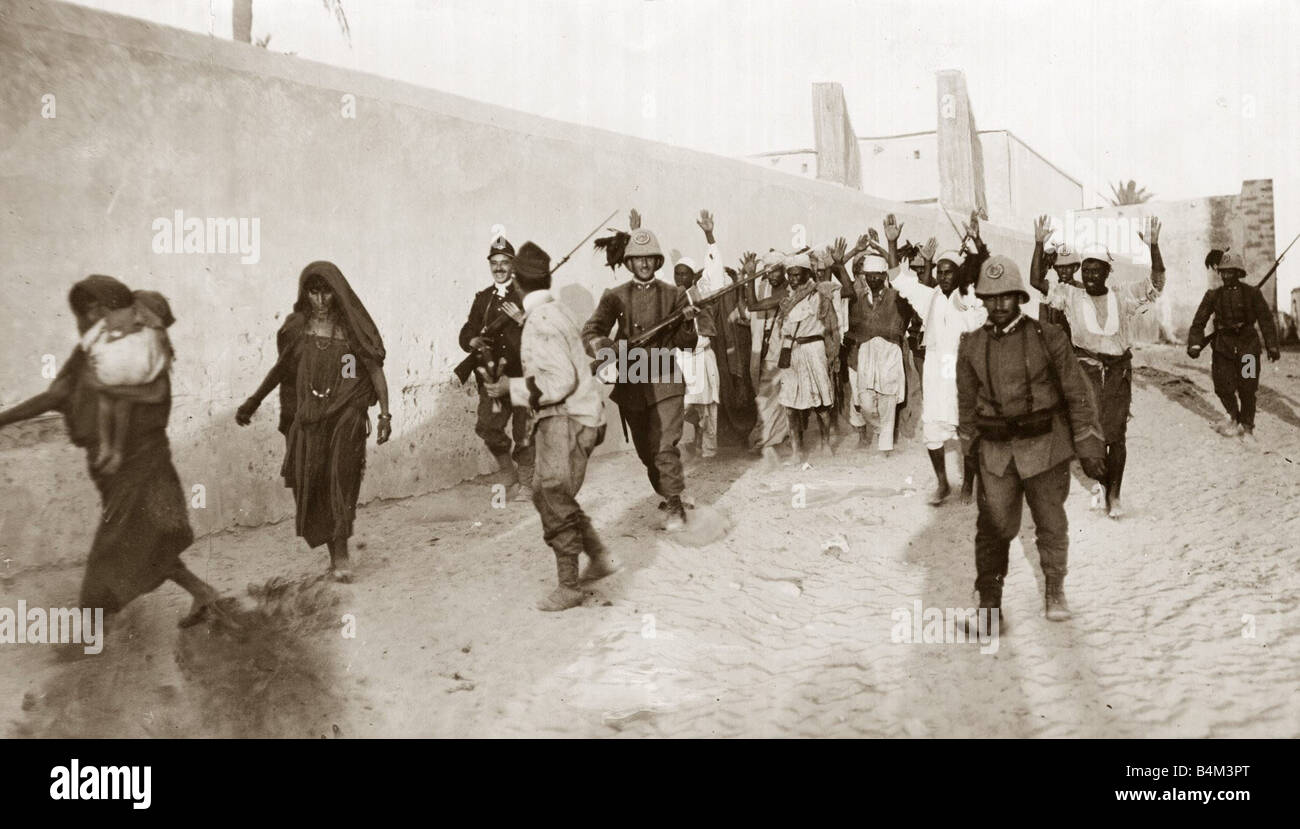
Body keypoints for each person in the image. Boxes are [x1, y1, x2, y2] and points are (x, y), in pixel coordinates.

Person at [0, 275, 235, 631]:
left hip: (142, 463)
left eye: (93, 310)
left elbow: (156, 400)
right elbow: (55, 395)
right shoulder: (90, 354)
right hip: (112, 468)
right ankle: (203, 593)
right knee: (145, 540)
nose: (88, 320)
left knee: (118, 547)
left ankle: (90, 627)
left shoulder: (147, 358)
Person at [957, 256, 1107, 627]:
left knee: (1051, 523)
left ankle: (1055, 590)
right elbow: (966, 402)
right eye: (989, 298)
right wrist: (970, 450)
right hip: (996, 453)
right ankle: (990, 608)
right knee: (991, 529)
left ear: (1019, 297)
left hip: (1045, 449)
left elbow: (1076, 391)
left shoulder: (1047, 336)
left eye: (1005, 296)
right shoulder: (971, 345)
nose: (998, 305)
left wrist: (1088, 443)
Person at [236, 262, 392, 582]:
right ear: (305, 294)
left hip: (346, 416)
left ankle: (341, 555)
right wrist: (254, 401)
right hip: (310, 417)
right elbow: (282, 370)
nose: (321, 300)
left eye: (327, 292)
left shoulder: (351, 329)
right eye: (314, 292)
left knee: (340, 479)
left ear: (337, 293)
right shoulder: (297, 328)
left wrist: (385, 414)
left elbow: (373, 370)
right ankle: (332, 551)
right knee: (315, 481)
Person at [483, 242, 614, 611]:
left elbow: (557, 383)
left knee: (552, 493)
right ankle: (598, 555)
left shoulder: (540, 320)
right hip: (579, 415)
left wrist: (510, 387)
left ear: (518, 286)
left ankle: (569, 586)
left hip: (567, 418)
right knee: (547, 491)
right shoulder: (553, 311)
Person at [1032, 217, 1165, 518]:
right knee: (1088, 436)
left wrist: (1154, 247)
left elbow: (1156, 284)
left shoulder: (1122, 295)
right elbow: (1037, 282)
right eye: (1087, 268)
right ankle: (1102, 483)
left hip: (1118, 373)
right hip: (1085, 372)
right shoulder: (1071, 295)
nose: (1091, 274)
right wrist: (1038, 244)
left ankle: (1114, 496)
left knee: (1115, 435)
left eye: (1097, 268)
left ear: (1107, 271)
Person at [582, 210, 698, 530]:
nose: (645, 263)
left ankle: (674, 506)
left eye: (650, 258)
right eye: (638, 258)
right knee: (647, 453)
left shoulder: (674, 295)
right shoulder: (615, 296)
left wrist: (688, 321)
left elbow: (687, 342)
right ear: (629, 263)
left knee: (664, 446)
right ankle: (667, 492)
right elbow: (592, 331)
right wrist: (608, 353)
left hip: (664, 377)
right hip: (632, 378)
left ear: (657, 262)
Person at [892, 242, 987, 505]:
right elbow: (897, 277)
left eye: (949, 272)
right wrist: (891, 242)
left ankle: (968, 484)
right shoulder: (929, 297)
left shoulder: (971, 299)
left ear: (958, 274)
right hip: (935, 373)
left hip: (964, 372)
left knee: (968, 429)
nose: (943, 277)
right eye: (940, 272)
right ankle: (943, 484)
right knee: (933, 430)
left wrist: (978, 246)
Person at [458, 236, 534, 500]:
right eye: (495, 263)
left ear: (514, 266)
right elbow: (468, 328)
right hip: (492, 376)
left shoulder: (528, 295)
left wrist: (523, 319)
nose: (499, 268)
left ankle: (526, 483)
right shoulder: (483, 300)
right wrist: (472, 340)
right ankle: (508, 474)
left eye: (505, 263)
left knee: (524, 431)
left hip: (521, 375)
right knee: (488, 427)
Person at [745, 252, 838, 462]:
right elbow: (753, 306)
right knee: (790, 403)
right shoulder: (786, 298)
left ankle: (825, 444)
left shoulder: (819, 294)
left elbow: (831, 326)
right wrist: (750, 277)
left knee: (821, 402)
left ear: (807, 274)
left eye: (798, 275)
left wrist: (832, 354)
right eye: (791, 275)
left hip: (814, 350)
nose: (794, 279)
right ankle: (797, 450)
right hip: (790, 351)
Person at [78, 290, 176, 476]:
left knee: (116, 404)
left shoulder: (147, 328)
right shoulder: (132, 319)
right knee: (111, 404)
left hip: (132, 382)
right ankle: (110, 449)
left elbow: (158, 392)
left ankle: (113, 451)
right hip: (125, 374)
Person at [1187, 249, 1280, 441]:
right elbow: (1198, 322)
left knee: (1248, 387)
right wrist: (1195, 344)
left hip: (1248, 347)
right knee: (1222, 387)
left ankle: (1247, 426)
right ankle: (1234, 416)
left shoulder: (1252, 293)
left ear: (1238, 273)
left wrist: (1272, 346)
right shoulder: (1212, 295)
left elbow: (1266, 320)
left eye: (1231, 271)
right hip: (1223, 348)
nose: (1226, 275)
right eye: (1224, 271)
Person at [837, 248, 915, 454]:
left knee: (888, 399)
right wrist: (838, 264)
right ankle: (881, 430)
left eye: (877, 275)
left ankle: (886, 445)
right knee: (865, 403)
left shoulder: (897, 297)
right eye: (868, 275)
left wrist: (890, 244)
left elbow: (909, 287)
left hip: (889, 351)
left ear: (884, 275)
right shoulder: (859, 298)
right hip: (866, 354)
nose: (872, 279)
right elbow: (845, 287)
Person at [673, 210, 726, 459]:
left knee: (707, 408)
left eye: (685, 273)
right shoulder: (669, 296)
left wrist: (709, 234)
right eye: (677, 273)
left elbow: (715, 271)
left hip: (702, 356)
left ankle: (708, 450)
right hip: (680, 359)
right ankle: (688, 439)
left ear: (693, 275)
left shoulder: (703, 289)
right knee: (681, 406)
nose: (681, 277)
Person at [741, 249, 792, 466]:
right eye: (768, 271)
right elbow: (749, 312)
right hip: (765, 350)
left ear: (784, 271)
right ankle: (774, 439)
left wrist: (750, 277)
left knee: (771, 398)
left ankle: (769, 441)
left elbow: (753, 305)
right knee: (771, 399)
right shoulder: (766, 289)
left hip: (783, 352)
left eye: (775, 271)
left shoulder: (787, 293)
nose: (771, 275)